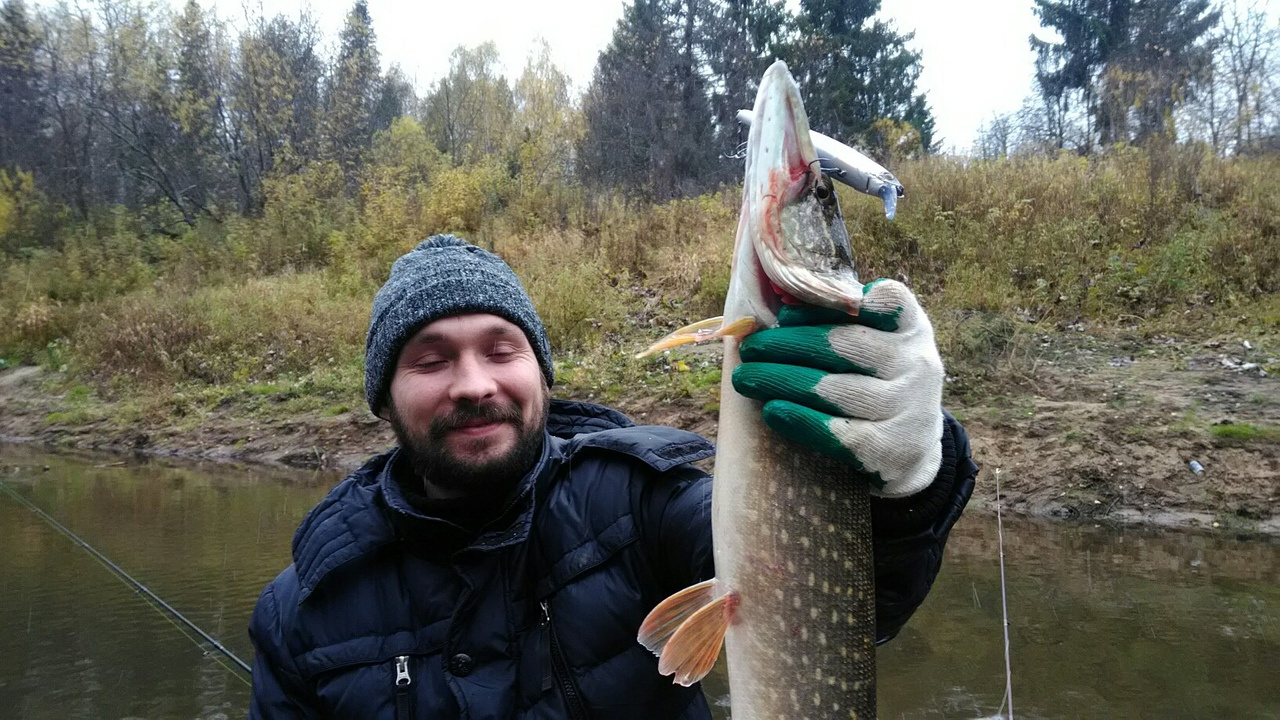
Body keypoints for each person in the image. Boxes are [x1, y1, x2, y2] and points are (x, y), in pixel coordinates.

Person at [248, 234, 977, 719]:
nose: (472, 383)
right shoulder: (300, 616)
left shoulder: (636, 501)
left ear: (540, 372)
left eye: (501, 349)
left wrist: (909, 476)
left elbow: (854, 599)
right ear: (385, 397)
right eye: (431, 359)